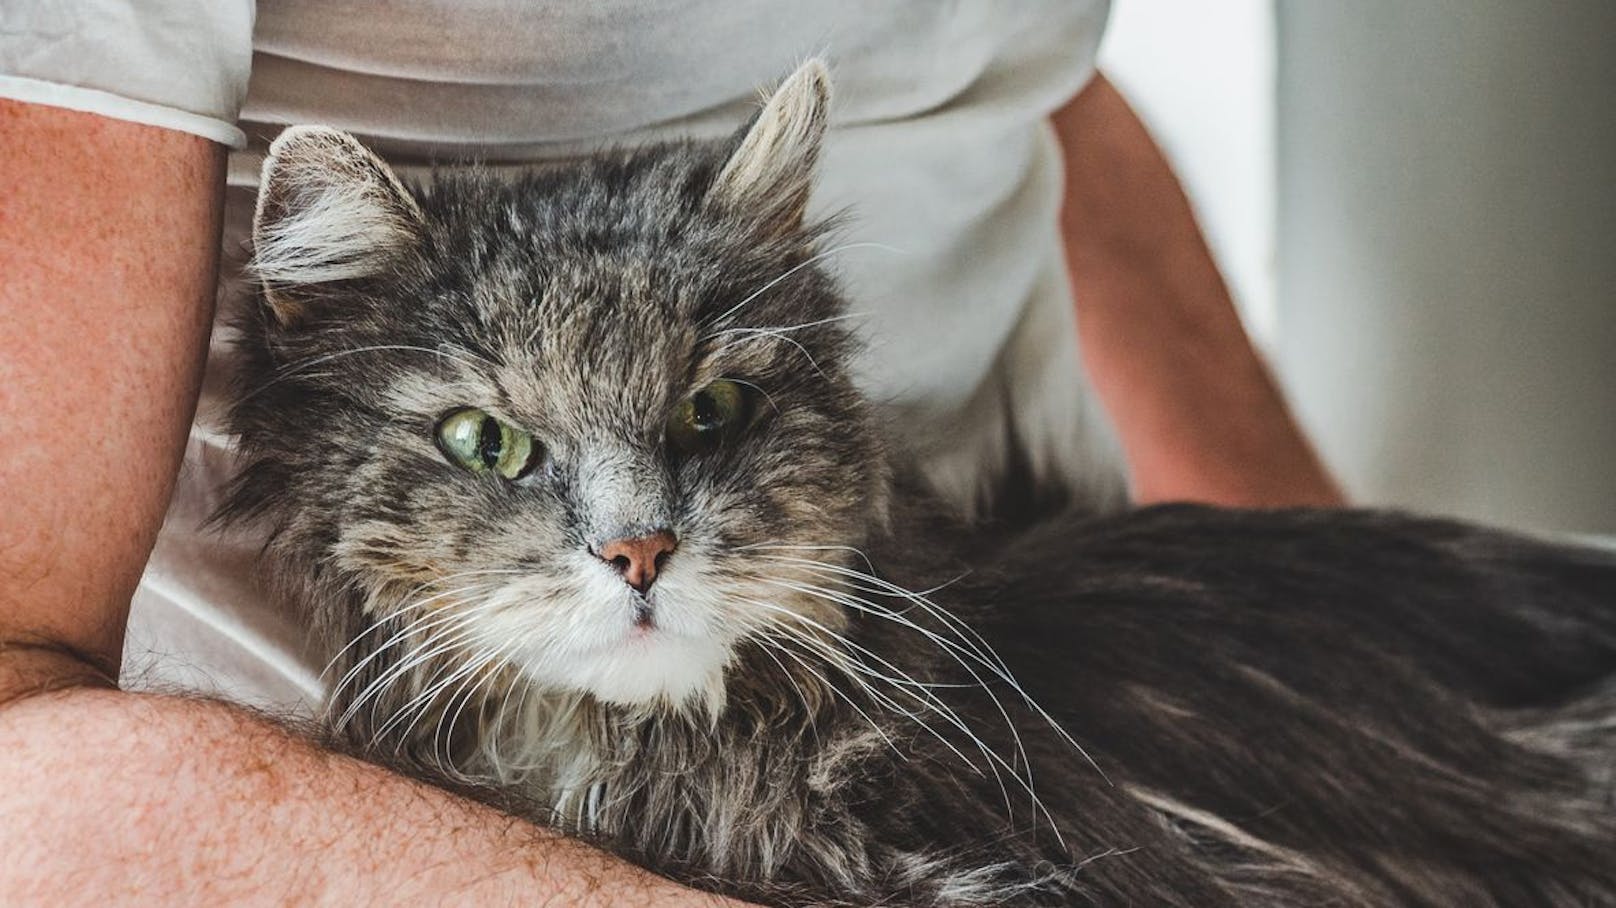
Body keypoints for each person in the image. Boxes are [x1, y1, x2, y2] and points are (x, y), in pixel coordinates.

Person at [0, 2, 1340, 902]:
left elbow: (1006, 70)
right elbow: (17, 755)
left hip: (1041, 662)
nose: (637, 531)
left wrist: (1332, 633)